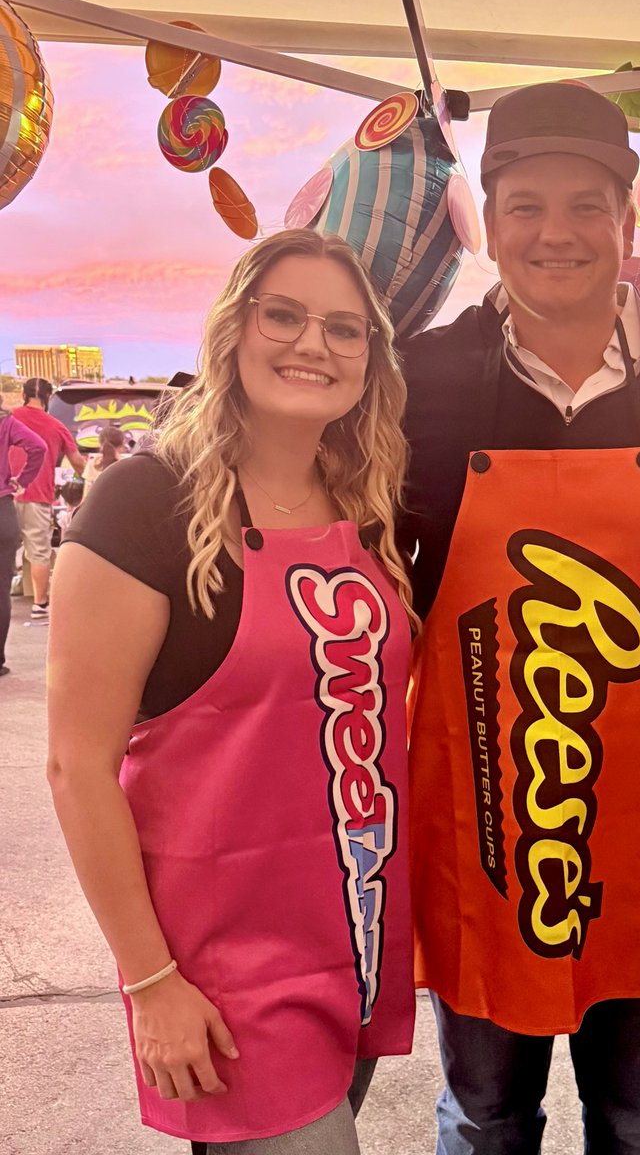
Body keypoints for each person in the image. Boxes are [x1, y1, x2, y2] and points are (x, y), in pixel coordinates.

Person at [399, 81, 640, 1154]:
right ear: (489, 220)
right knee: (485, 1118)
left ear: (627, 221)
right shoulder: (419, 381)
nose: (554, 232)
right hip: (486, 831)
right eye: (525, 205)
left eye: (584, 205)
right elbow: (359, 568)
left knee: (639, 1123)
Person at [47, 229, 418, 1154]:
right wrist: (149, 981)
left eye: (344, 329)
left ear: (370, 358)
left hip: (353, 934)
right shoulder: (143, 504)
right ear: (233, 329)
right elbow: (76, 768)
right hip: (224, 972)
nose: (313, 344)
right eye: (282, 315)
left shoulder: (365, 501)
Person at [10, 376, 85, 618]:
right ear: (49, 398)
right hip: (37, 495)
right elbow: (78, 464)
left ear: (23, 395)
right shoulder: (56, 426)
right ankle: (40, 605)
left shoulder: (8, 418)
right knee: (39, 552)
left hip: (5, 495)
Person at [0, 405, 48, 676]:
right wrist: (22, 480)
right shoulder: (5, 421)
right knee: (1, 589)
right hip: (2, 510)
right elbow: (38, 446)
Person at [81, 423, 128, 497]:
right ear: (122, 444)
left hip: (98, 503)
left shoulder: (93, 463)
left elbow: (86, 495)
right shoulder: (127, 463)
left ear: (100, 443)